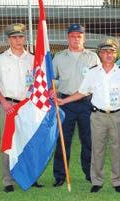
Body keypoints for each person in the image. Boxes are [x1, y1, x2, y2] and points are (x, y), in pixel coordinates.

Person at [57, 37, 120, 193]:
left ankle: (117, 182)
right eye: (105, 52)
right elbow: (82, 92)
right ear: (100, 54)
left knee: (117, 149)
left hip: (117, 115)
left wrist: (118, 98)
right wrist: (65, 101)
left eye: (112, 52)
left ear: (116, 55)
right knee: (97, 149)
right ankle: (97, 181)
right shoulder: (92, 73)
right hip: (97, 116)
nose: (108, 55)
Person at [0, 23, 43, 193]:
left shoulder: (33, 58)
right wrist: (3, 102)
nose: (18, 40)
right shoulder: (0, 59)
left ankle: (30, 177)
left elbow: (39, 81)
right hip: (9, 106)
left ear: (25, 38)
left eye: (20, 37)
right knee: (8, 144)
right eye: (14, 37)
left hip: (27, 106)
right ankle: (8, 180)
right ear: (8, 39)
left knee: (29, 142)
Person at [52, 23, 101, 187]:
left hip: (87, 104)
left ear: (83, 38)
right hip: (65, 104)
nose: (75, 39)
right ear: (68, 38)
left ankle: (89, 173)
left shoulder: (92, 57)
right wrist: (52, 89)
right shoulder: (59, 57)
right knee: (63, 141)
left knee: (88, 140)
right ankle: (60, 176)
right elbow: (52, 80)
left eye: (79, 36)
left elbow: (98, 81)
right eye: (72, 36)